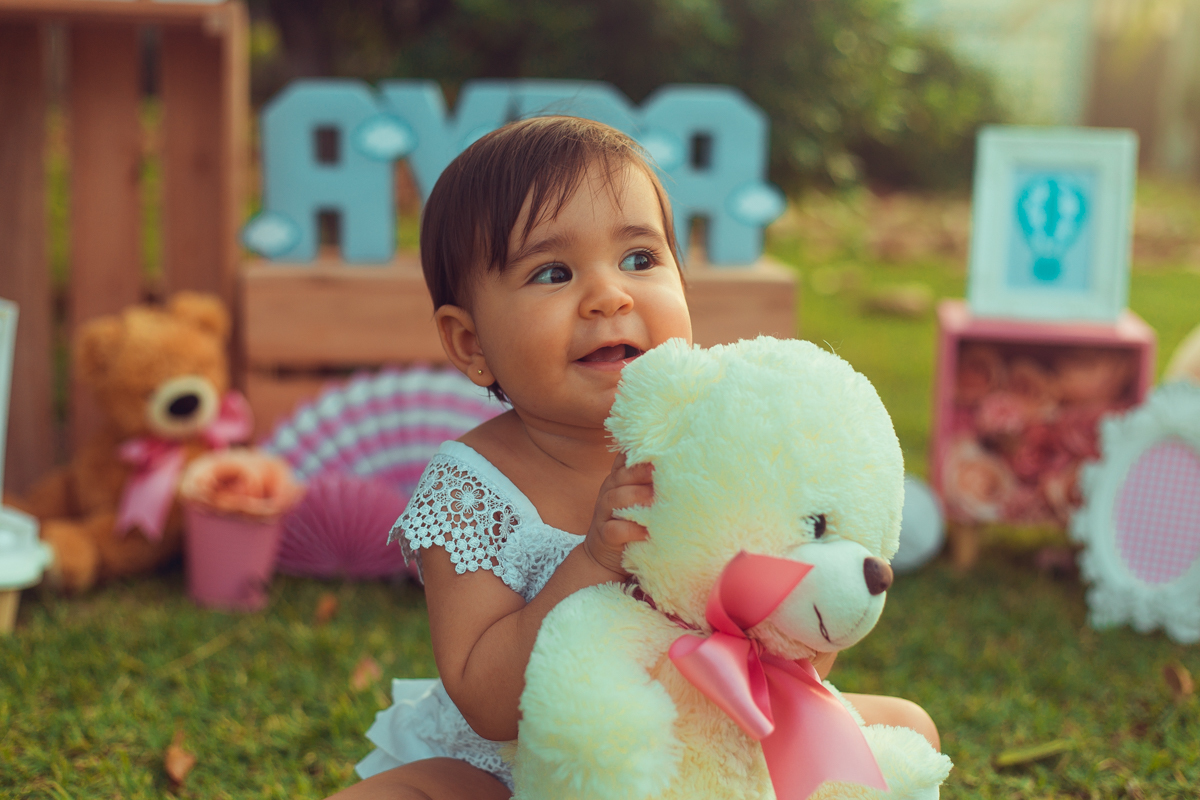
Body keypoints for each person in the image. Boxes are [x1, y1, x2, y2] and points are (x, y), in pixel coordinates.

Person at [330, 116, 939, 800]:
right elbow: (487, 702)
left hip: (708, 737)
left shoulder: (716, 447)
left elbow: (801, 657)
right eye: (552, 272)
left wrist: (801, 617)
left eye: (640, 260)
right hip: (524, 765)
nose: (609, 296)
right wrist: (590, 563)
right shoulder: (472, 491)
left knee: (910, 729)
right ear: (469, 342)